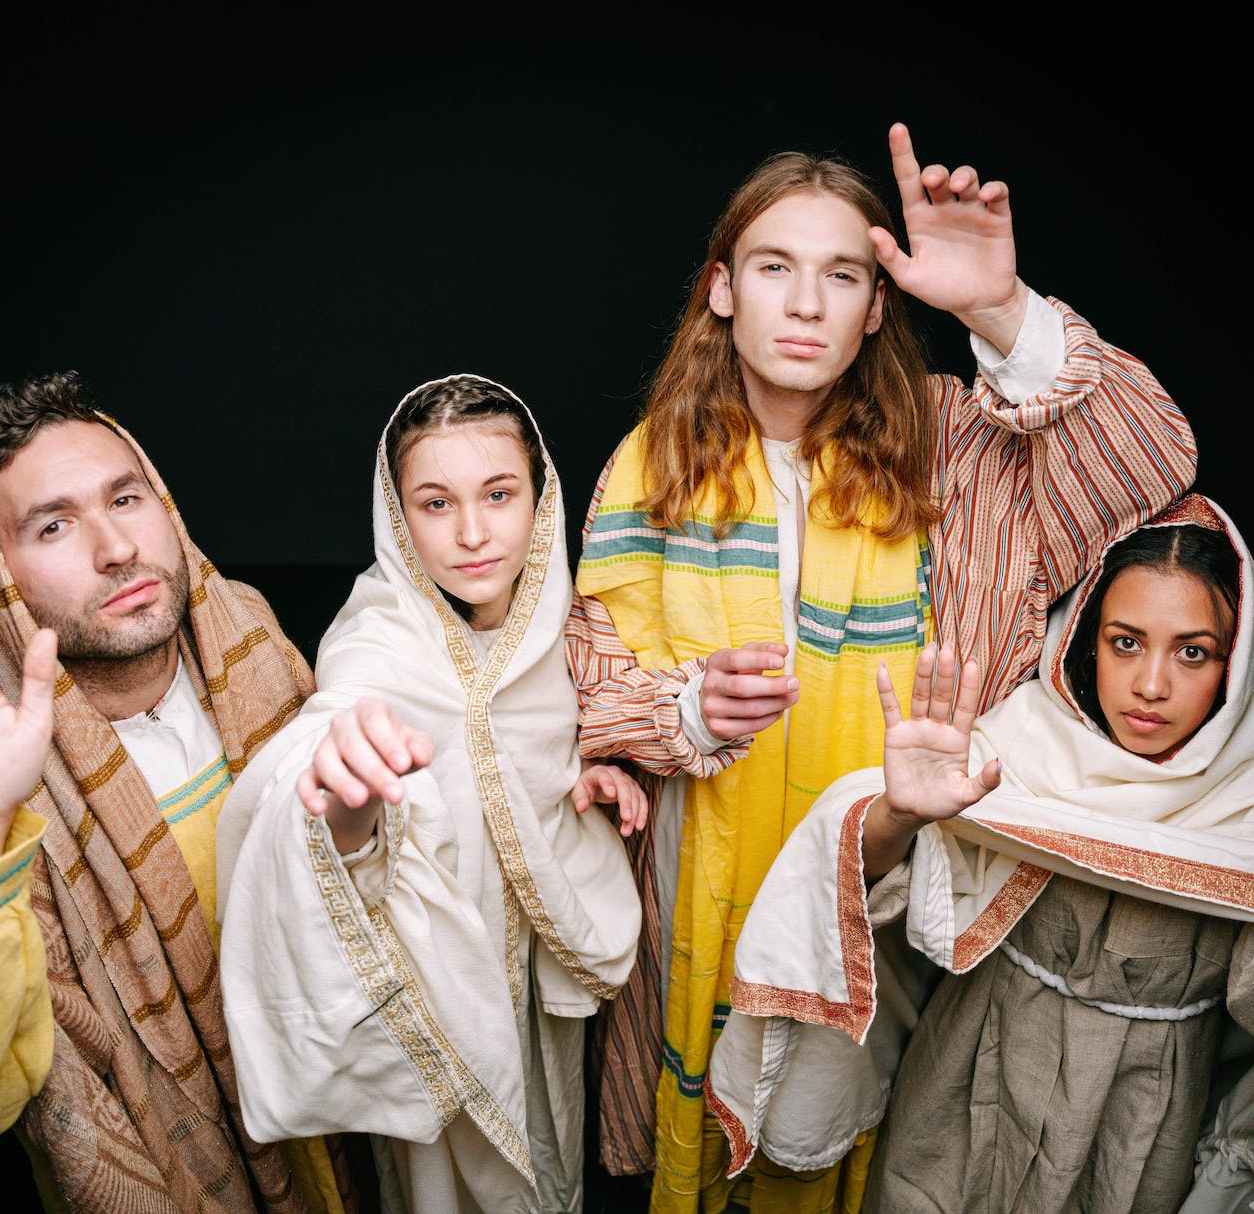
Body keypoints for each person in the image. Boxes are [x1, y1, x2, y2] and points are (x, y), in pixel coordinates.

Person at [566, 124, 1199, 1211]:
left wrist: (1000, 310)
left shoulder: (953, 445)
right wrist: (686, 710)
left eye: (842, 275)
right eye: (775, 268)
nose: (806, 304)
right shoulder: (651, 462)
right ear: (722, 289)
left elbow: (1154, 461)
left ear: (874, 307)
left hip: (897, 880)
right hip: (695, 880)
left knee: (860, 1151)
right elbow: (585, 677)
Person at [708, 495, 1254, 1213]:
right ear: (1085, 640)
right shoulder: (1018, 754)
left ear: (1235, 665)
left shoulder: (1243, 809)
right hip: (969, 1089)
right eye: (1125, 642)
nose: (1152, 685)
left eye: (1192, 652)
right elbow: (888, 909)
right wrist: (900, 815)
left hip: (1141, 1133)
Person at [217, 375, 644, 1214]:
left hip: (534, 980)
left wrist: (580, 782)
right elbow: (338, 731)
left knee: (548, 1155)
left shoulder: (562, 630)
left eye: (499, 494)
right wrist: (332, 777)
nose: (473, 533)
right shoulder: (376, 639)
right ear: (397, 515)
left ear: (541, 497)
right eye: (437, 504)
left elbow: (520, 764)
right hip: (437, 985)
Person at [0, 373, 352, 1211]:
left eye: (125, 498)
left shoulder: (252, 635)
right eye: (53, 525)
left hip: (347, 1132)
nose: (116, 548)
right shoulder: (6, 760)